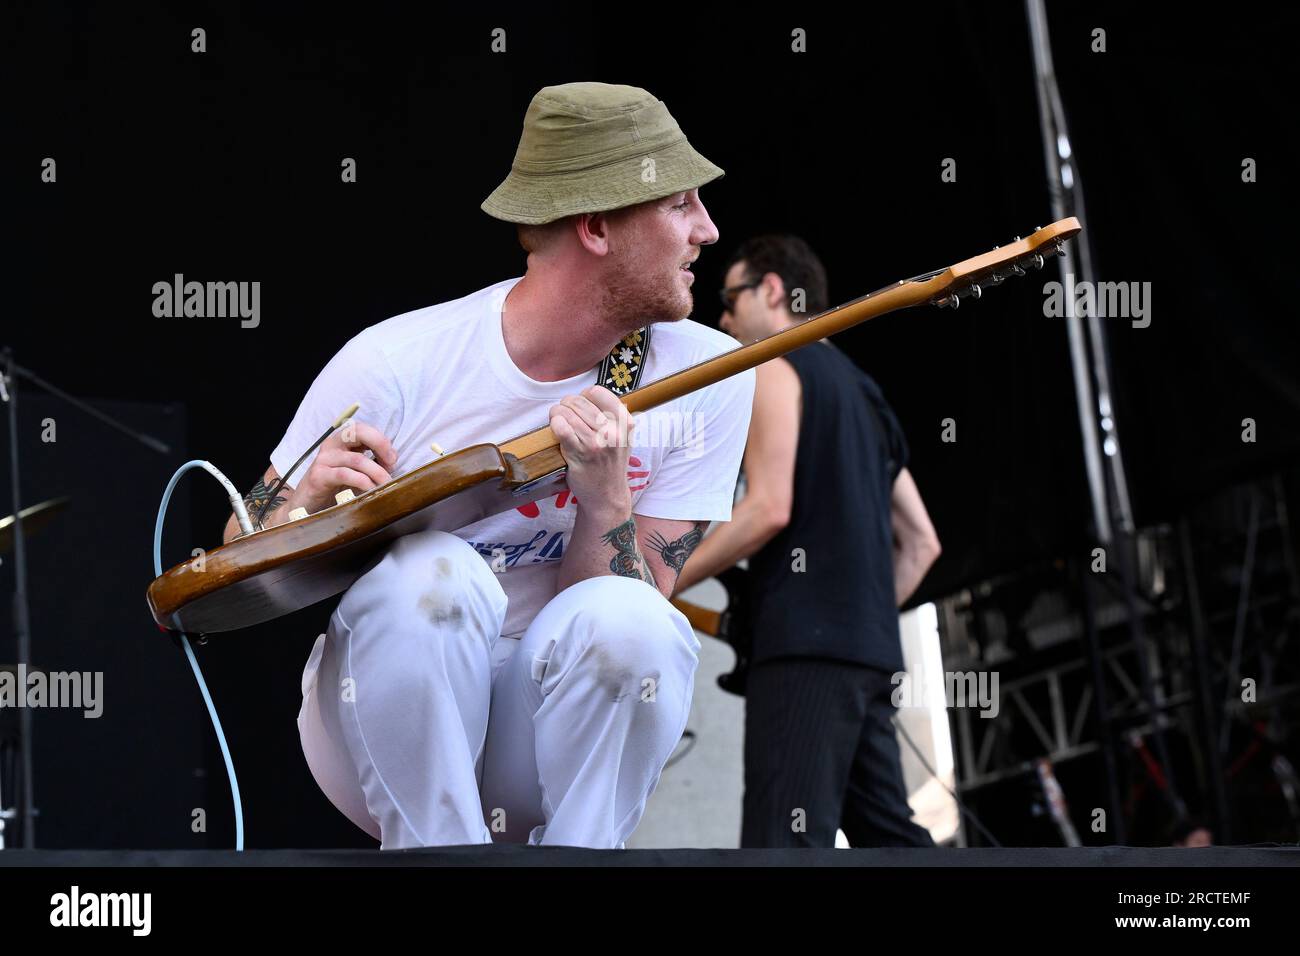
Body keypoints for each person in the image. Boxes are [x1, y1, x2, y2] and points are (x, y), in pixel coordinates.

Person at [222, 82, 755, 849]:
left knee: (638, 622)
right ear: (598, 225)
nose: (707, 230)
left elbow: (636, 618)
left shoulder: (712, 373)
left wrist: (604, 504)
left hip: (541, 729)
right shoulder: (395, 362)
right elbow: (235, 564)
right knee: (430, 575)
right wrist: (303, 502)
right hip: (381, 717)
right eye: (680, 205)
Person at [674, 234, 941, 847]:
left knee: (782, 844)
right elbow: (924, 543)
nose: (722, 318)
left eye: (730, 299)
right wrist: (858, 624)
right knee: (891, 842)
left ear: (771, 290)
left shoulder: (773, 361)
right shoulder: (867, 395)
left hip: (803, 652)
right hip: (869, 656)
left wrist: (662, 579)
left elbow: (767, 508)